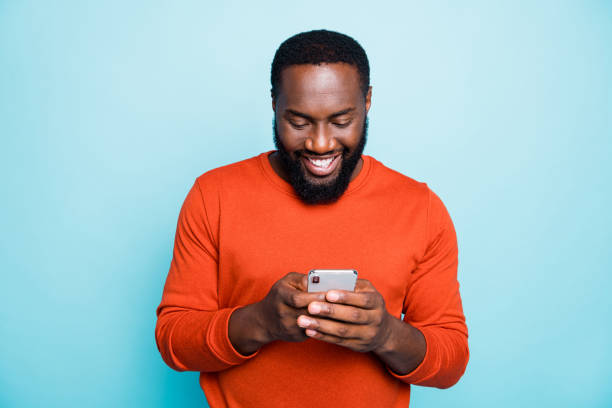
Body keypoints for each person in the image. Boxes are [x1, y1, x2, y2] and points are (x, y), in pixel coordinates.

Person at [155, 29, 469, 407]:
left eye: (340, 120)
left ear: (367, 101)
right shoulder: (213, 195)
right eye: (300, 122)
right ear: (274, 104)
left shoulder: (421, 208)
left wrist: (385, 334)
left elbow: (450, 362)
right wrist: (262, 321)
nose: (320, 144)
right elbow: (174, 342)